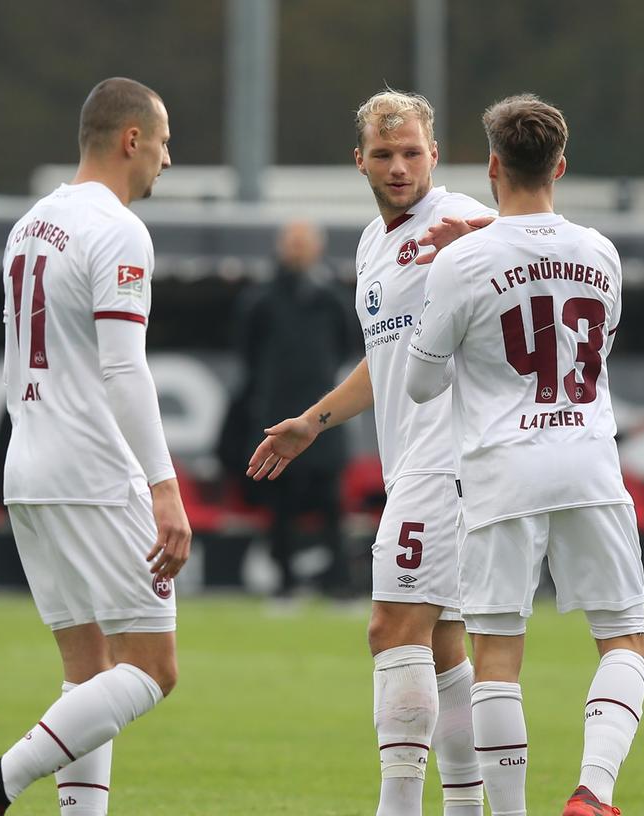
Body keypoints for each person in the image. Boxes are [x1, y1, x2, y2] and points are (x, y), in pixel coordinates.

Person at [0, 76, 190, 816]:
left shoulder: (30, 223)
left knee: (90, 676)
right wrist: (164, 486)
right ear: (131, 139)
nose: (167, 162)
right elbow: (121, 367)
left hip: (31, 467)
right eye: (165, 143)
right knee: (153, 669)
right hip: (93, 469)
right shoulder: (118, 228)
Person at [246, 89, 492, 816]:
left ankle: (397, 806)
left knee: (389, 628)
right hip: (414, 459)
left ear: (434, 156)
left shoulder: (464, 222)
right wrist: (313, 421)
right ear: (359, 160)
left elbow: (534, 242)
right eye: (383, 154)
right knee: (443, 644)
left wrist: (488, 235)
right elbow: (383, 360)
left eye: (411, 152)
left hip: (448, 461)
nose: (398, 166)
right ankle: (467, 805)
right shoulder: (369, 243)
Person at [405, 94, 644, 816]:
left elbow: (420, 383)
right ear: (560, 166)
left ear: (491, 167)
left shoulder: (463, 260)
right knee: (623, 642)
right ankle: (592, 791)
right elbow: (594, 350)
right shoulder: (600, 252)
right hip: (587, 461)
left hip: (500, 467)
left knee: (498, 657)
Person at [232, 220, 358, 598]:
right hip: (277, 412)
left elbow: (349, 344)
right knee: (281, 504)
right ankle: (284, 583)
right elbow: (246, 350)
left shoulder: (332, 297)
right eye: (293, 243)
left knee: (332, 503)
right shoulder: (262, 298)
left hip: (324, 417)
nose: (298, 250)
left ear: (318, 248)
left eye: (305, 243)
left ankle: (339, 584)